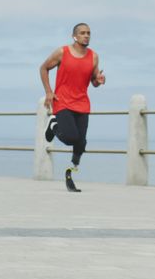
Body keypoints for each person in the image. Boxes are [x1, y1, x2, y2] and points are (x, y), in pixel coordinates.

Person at [39, 22, 105, 192]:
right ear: (74, 36)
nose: (86, 36)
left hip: (82, 103)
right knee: (70, 137)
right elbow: (44, 68)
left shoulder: (94, 57)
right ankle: (53, 125)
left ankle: (70, 172)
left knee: (81, 143)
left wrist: (98, 81)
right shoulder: (62, 52)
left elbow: (93, 80)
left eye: (89, 33)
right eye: (83, 33)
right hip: (63, 101)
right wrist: (48, 91)